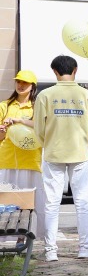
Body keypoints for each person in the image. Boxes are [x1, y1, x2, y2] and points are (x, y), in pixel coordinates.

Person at [34, 56, 88, 262]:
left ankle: (50, 251)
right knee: (81, 201)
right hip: (80, 152)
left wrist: (46, 144)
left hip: (53, 152)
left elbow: (38, 129)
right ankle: (84, 247)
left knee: (52, 202)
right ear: (76, 70)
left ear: (54, 71)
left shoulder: (45, 95)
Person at [0, 70, 45, 245]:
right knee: (6, 203)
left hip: (31, 161)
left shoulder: (37, 107)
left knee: (29, 204)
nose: (20, 85)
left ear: (32, 86)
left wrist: (18, 121)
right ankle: (5, 237)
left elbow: (42, 126)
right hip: (7, 160)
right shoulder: (4, 106)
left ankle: (24, 239)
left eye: (25, 83)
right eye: (18, 82)